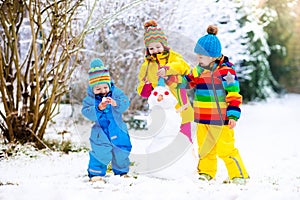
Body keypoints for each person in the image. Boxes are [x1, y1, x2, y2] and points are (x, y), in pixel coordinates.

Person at [185, 25, 249, 184]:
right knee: (205, 148)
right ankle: (206, 172)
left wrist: (233, 115)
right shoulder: (199, 70)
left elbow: (234, 94)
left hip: (221, 120)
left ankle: (238, 175)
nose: (198, 59)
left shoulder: (226, 72)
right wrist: (171, 79)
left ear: (212, 56)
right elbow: (186, 82)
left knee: (225, 148)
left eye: (201, 56)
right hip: (203, 118)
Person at [137, 19, 194, 143]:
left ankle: (189, 160)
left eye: (158, 46)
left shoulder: (174, 57)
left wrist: (167, 69)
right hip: (162, 113)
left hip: (180, 107)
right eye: (151, 48)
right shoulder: (146, 66)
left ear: (164, 45)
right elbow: (143, 92)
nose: (155, 50)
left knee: (184, 141)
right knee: (165, 142)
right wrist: (147, 85)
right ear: (147, 50)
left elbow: (183, 67)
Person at [81, 58, 132, 182]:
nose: (103, 91)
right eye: (98, 89)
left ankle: (122, 172)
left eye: (105, 87)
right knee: (100, 152)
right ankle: (96, 174)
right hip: (100, 132)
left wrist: (116, 103)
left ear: (109, 85)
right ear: (92, 89)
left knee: (122, 151)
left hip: (119, 130)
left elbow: (125, 102)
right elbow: (86, 111)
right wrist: (98, 108)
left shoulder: (116, 93)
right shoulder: (90, 99)